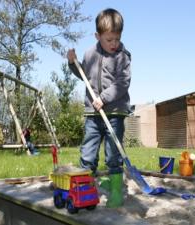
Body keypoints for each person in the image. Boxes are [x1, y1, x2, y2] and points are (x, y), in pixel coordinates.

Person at [67, 8, 131, 208]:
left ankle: (115, 193)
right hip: (92, 114)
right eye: (109, 40)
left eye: (117, 39)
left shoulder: (123, 55)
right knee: (88, 152)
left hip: (114, 112)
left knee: (113, 154)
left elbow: (123, 83)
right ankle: (86, 190)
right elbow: (83, 76)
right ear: (98, 36)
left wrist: (103, 98)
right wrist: (72, 63)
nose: (114, 44)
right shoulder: (89, 53)